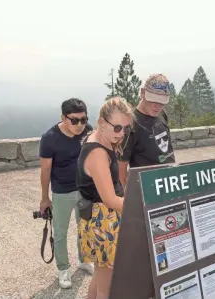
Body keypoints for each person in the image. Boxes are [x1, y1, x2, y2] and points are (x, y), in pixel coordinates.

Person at [76, 97, 133, 299]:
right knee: (108, 288)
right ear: (101, 123)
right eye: (117, 127)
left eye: (126, 128)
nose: (122, 133)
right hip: (106, 222)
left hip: (97, 218)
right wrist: (140, 209)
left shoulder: (98, 138)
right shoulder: (98, 153)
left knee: (101, 275)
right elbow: (110, 199)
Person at [38, 98, 94, 289]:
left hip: (85, 189)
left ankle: (85, 260)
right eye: (74, 120)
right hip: (62, 192)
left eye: (83, 119)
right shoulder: (50, 138)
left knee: (85, 227)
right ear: (63, 117)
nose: (80, 125)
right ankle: (63, 269)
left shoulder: (88, 130)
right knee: (60, 233)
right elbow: (45, 170)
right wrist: (45, 198)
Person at [118, 74, 175, 187]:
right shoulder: (130, 124)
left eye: (162, 102)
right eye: (153, 100)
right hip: (147, 187)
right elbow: (121, 167)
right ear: (142, 93)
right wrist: (127, 198)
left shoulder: (162, 114)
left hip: (170, 182)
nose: (157, 106)